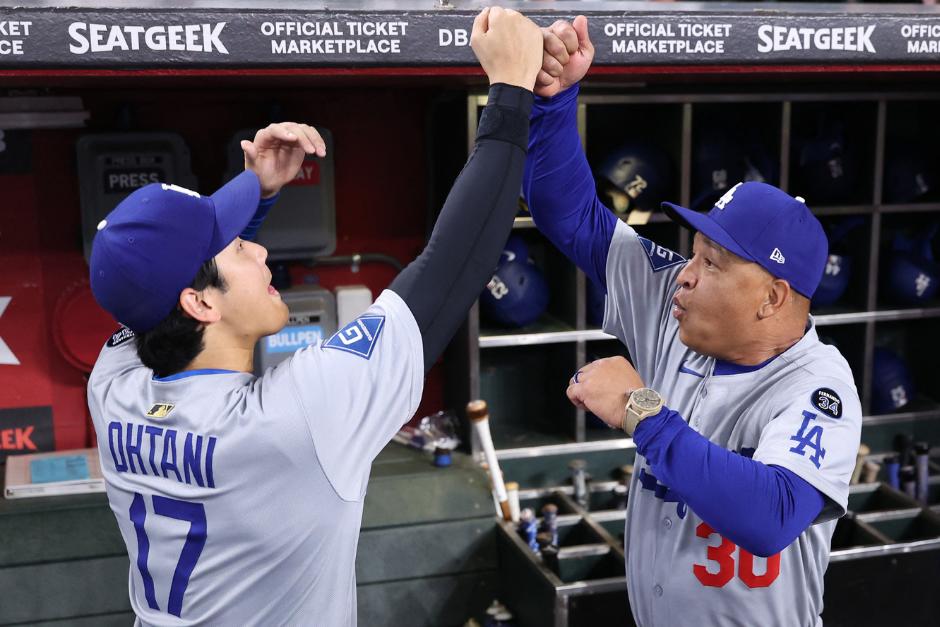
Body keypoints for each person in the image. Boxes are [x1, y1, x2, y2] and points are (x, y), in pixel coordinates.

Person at [86, 7, 543, 625]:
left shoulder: (115, 385)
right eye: (239, 244)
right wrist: (511, 93)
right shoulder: (293, 417)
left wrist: (256, 188)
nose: (261, 246)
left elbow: (167, 291)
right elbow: (452, 266)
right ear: (199, 303)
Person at [527, 16, 861, 627]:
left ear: (771, 296)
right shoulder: (678, 305)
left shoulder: (818, 386)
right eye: (694, 251)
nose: (685, 272)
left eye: (712, 262)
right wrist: (553, 101)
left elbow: (771, 514)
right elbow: (569, 214)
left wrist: (638, 409)